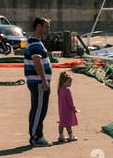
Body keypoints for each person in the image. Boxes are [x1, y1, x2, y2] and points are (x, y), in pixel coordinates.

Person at [24, 16, 52, 146]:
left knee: (39, 109)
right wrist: (44, 80)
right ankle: (36, 137)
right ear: (38, 26)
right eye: (46, 26)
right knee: (38, 110)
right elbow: (37, 62)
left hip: (37, 82)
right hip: (38, 82)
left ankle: (38, 134)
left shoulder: (35, 41)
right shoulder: (35, 43)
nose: (48, 29)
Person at [55, 71, 79, 142]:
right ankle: (71, 136)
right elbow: (70, 101)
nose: (70, 83)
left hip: (61, 109)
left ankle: (61, 135)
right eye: (69, 82)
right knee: (68, 123)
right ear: (64, 81)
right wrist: (73, 108)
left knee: (62, 123)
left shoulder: (59, 90)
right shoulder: (67, 91)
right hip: (67, 110)